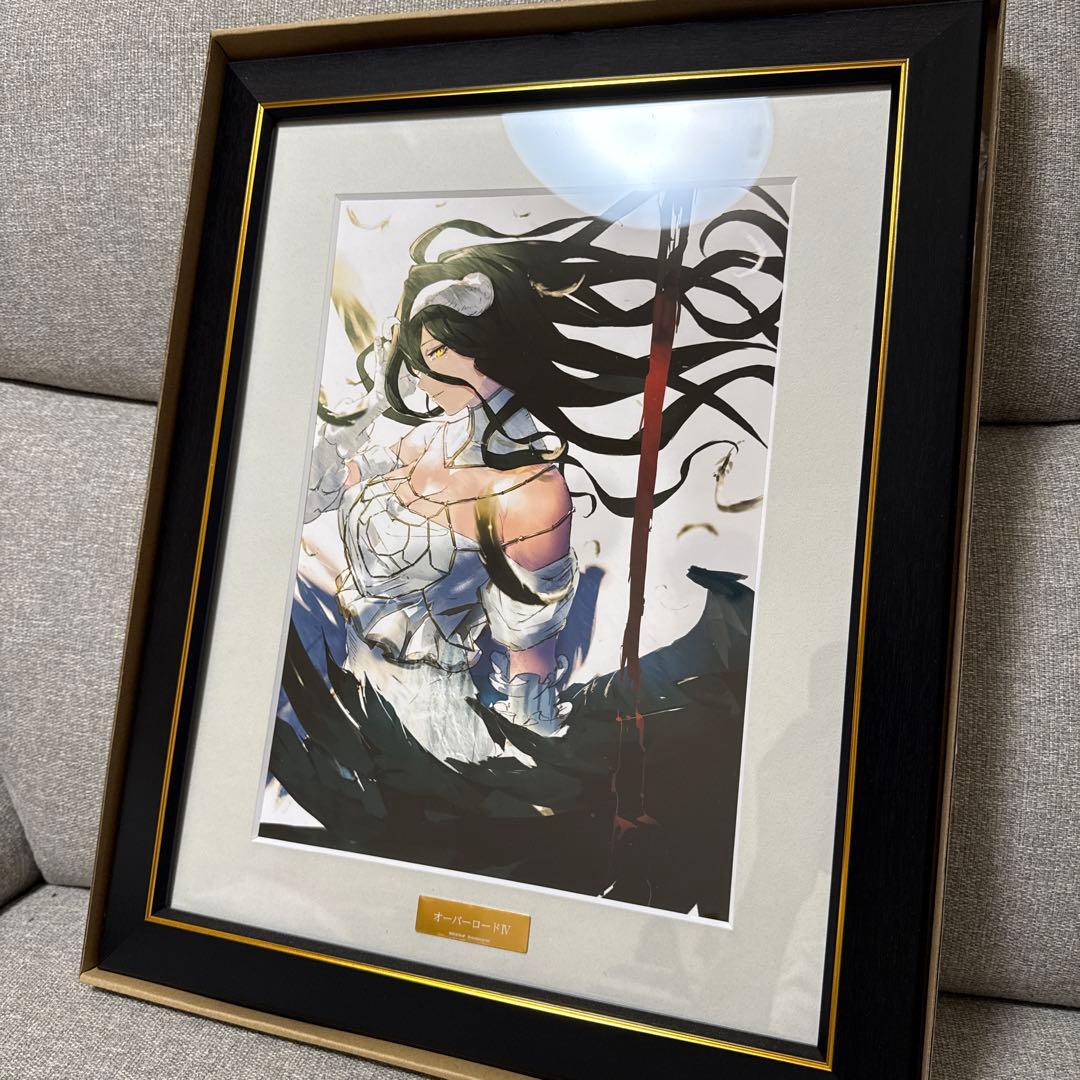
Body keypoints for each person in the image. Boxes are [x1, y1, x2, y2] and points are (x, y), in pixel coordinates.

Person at [302, 194, 783, 765]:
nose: (420, 372)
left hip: (432, 740)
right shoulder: (417, 440)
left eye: (436, 351)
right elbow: (301, 500)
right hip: (346, 712)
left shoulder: (533, 495)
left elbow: (528, 670)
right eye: (412, 351)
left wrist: (530, 773)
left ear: (492, 347)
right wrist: (374, 399)